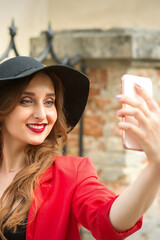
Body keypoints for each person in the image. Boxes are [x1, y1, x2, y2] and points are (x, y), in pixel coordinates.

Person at [0, 56, 159, 240]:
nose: (41, 114)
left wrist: (155, 167)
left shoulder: (70, 173)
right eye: (27, 100)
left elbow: (109, 220)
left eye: (49, 102)